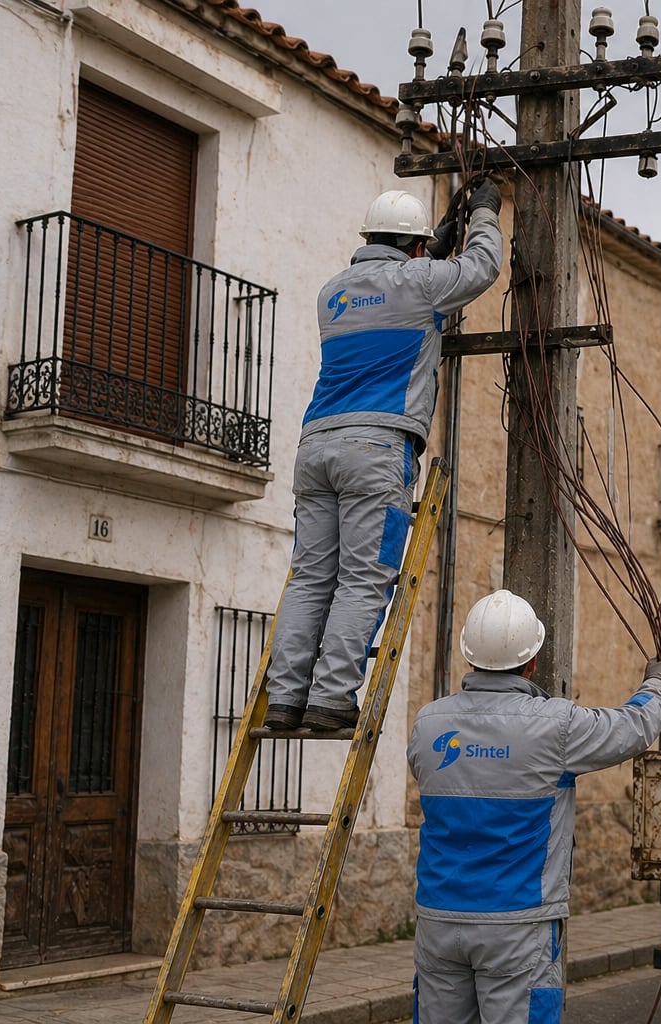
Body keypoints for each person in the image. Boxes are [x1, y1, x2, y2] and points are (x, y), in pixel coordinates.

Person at [265, 181, 504, 732]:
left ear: (369, 237)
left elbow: (393, 286)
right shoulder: (421, 281)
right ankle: (329, 701)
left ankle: (284, 701)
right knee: (363, 579)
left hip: (316, 444)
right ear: (416, 246)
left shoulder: (333, 292)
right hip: (377, 447)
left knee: (309, 579)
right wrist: (486, 211)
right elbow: (483, 266)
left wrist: (431, 247)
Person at [406, 589, 661, 1024]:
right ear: (532, 662)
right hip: (518, 924)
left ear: (470, 656)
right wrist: (659, 683)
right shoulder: (556, 725)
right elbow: (633, 727)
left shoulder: (428, 723)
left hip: (439, 920)